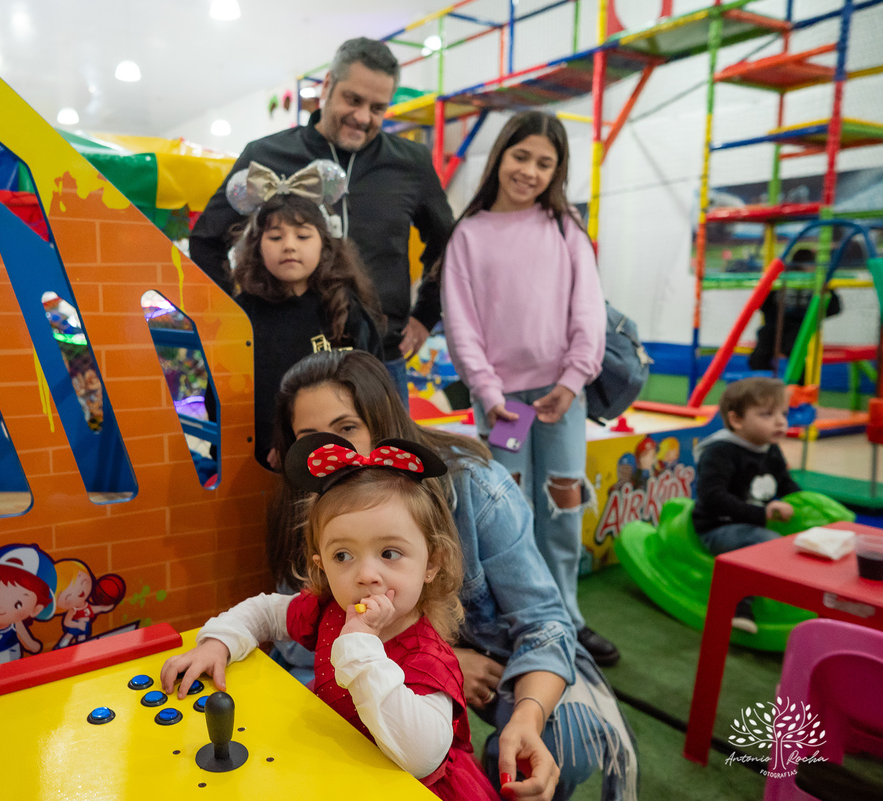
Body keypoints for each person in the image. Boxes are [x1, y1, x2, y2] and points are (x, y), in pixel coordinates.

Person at [268, 351, 638, 801]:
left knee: (561, 749)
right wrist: (433, 665)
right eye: (312, 438)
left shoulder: (476, 488)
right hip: (411, 670)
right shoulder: (313, 507)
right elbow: (300, 633)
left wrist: (526, 717)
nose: (338, 454)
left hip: (502, 662)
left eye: (348, 429)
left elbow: (544, 622)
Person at [162, 433, 498, 801]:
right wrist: (218, 642)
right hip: (333, 769)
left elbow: (421, 757)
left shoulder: (429, 659)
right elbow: (266, 612)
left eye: (389, 552)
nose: (366, 574)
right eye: (343, 556)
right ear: (321, 566)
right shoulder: (329, 611)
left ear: (431, 562)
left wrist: (362, 646)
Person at [438, 111, 619, 667]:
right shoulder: (469, 233)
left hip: (562, 398)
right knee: (506, 517)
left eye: (546, 163)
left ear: (558, 171)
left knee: (562, 509)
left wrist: (571, 381)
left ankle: (567, 617)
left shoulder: (566, 230)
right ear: (500, 157)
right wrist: (489, 394)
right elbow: (461, 321)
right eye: (522, 156)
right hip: (501, 405)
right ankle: (518, 620)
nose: (530, 171)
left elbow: (589, 312)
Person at [189, 37, 454, 406]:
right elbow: (206, 239)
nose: (363, 117)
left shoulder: (411, 163)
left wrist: (427, 313)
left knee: (382, 464)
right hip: (282, 360)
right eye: (353, 99)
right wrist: (233, 320)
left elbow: (448, 243)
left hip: (379, 359)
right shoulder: (267, 155)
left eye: (378, 108)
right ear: (327, 86)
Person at [225, 161, 382, 467]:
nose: (289, 246)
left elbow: (372, 389)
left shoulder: (346, 307)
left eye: (302, 235)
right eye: (275, 237)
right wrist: (278, 443)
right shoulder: (241, 315)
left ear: (325, 244)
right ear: (257, 247)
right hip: (262, 462)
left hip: (343, 458)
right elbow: (225, 396)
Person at [692, 377, 800, 634]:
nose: (780, 421)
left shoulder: (770, 448)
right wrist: (761, 513)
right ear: (737, 420)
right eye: (767, 414)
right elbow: (712, 497)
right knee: (766, 542)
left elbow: (785, 484)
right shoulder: (720, 452)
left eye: (783, 413)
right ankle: (739, 605)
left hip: (754, 519)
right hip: (718, 526)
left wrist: (803, 504)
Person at [748, 247, 842, 371]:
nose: (805, 270)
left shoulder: (818, 282)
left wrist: (825, 295)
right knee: (762, 348)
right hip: (777, 324)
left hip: (801, 325)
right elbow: (763, 304)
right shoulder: (782, 279)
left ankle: (797, 384)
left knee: (794, 348)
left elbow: (833, 308)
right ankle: (764, 378)